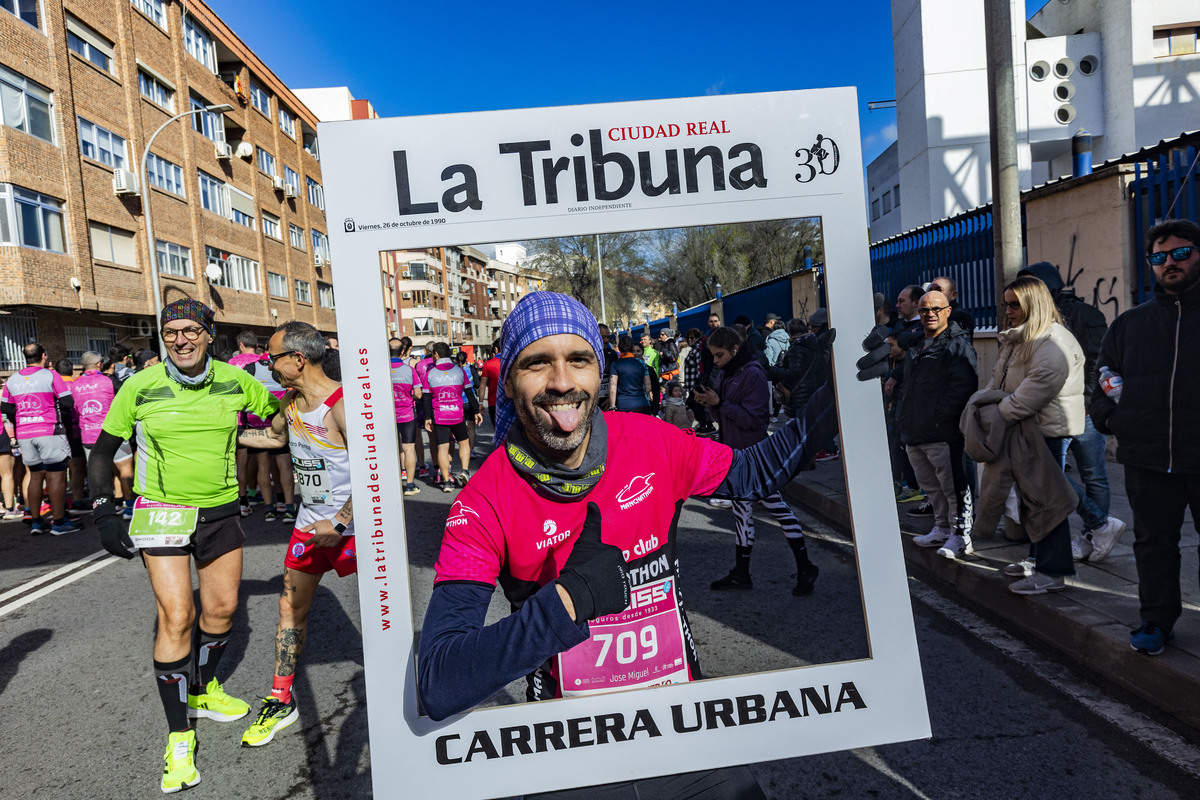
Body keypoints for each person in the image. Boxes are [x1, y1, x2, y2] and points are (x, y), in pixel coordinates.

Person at [417, 291, 839, 799]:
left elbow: (755, 470)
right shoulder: (483, 500)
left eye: (579, 360)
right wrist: (566, 602)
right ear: (507, 381)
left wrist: (836, 400)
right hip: (568, 751)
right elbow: (440, 681)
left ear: (600, 371)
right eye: (536, 364)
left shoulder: (652, 441)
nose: (562, 382)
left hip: (684, 729)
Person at [86, 299, 279, 793]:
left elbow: (280, 418)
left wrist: (275, 435)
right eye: (171, 333)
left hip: (219, 510)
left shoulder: (238, 381)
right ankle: (178, 737)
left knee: (222, 611)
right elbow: (104, 451)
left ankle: (203, 687)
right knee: (177, 617)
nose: (181, 340)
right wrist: (105, 511)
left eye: (191, 330)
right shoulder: (140, 385)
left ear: (209, 335)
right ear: (162, 339)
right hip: (163, 512)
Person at [236, 321, 355, 746]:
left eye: (272, 358)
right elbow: (271, 438)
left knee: (387, 616)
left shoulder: (344, 404)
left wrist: (340, 523)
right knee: (290, 608)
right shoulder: (289, 404)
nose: (267, 364)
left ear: (298, 360)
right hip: (310, 525)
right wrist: (219, 435)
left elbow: (376, 474)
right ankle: (281, 698)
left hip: (357, 530)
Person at [1090, 219, 1200, 656]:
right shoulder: (1129, 325)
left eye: (1180, 253)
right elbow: (1100, 381)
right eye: (1158, 257)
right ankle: (1156, 621)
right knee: (1154, 545)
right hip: (1147, 458)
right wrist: (1113, 422)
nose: (1169, 263)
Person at [694, 326, 819, 595]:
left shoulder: (753, 374)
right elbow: (723, 417)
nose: (715, 361)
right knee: (742, 514)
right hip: (736, 456)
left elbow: (755, 419)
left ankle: (804, 566)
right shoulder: (729, 373)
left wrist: (719, 403)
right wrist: (711, 404)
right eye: (713, 356)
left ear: (734, 350)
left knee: (778, 509)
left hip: (756, 457)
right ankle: (743, 573)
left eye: (719, 355)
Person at [980, 276, 1085, 595]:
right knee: (1031, 500)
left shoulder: (1052, 342)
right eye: (1006, 304)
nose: (1008, 310)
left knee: (1047, 501)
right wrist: (986, 404)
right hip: (1026, 430)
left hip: (1045, 432)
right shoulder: (1020, 338)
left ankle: (1052, 571)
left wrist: (994, 415)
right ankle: (1038, 560)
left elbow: (1031, 395)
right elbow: (997, 382)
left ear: (1033, 305)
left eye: (1015, 304)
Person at [1017, 262, 1125, 561]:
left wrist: (1089, 404)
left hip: (1081, 410)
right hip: (1052, 410)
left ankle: (1094, 535)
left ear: (1046, 285)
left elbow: (1098, 360)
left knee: (1091, 476)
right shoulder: (1035, 318)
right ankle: (1096, 529)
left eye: (1031, 285)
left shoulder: (1083, 314)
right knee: (1054, 477)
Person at [895, 291, 978, 559]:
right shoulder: (916, 344)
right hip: (914, 431)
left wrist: (940, 418)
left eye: (935, 309)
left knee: (954, 487)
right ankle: (941, 528)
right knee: (931, 488)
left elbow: (962, 387)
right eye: (924, 310)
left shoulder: (957, 345)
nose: (929, 314)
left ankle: (961, 535)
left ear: (948, 311)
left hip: (943, 432)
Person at [2, 343, 80, 535]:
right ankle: (59, 522)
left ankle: (37, 522)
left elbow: (5, 407)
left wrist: (22, 416)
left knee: (36, 475)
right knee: (56, 475)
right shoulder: (50, 375)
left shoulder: (12, 380)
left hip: (25, 432)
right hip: (48, 430)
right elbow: (68, 402)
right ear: (44, 356)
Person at [70, 352, 135, 519]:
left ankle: (102, 510)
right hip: (112, 433)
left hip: (88, 436)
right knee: (125, 468)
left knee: (97, 475)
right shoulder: (108, 380)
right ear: (99, 364)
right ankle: (129, 508)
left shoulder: (75, 385)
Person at [422, 342, 481, 491]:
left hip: (439, 415)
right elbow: (469, 393)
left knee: (442, 447)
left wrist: (427, 417)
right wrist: (476, 411)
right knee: (464, 443)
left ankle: (447, 482)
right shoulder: (459, 371)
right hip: (457, 415)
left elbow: (427, 398)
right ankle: (465, 470)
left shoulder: (431, 373)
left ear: (436, 354)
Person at [389, 337, 423, 495]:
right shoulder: (409, 370)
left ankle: (392, 485)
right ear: (403, 352)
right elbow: (418, 394)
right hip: (407, 414)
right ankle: (409, 485)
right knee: (409, 449)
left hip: (387, 416)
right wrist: (409, 398)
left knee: (391, 450)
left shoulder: (380, 369)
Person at [608, 335, 652, 413]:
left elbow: (612, 388)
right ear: (632, 347)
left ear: (619, 348)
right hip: (642, 404)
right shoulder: (641, 363)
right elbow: (648, 385)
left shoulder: (615, 364)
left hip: (624, 406)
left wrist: (612, 407)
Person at [480, 338, 503, 424]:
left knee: (496, 429)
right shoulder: (512, 362)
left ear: (496, 349)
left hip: (494, 402)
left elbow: (482, 385)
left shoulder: (488, 364)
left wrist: (481, 403)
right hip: (510, 401)